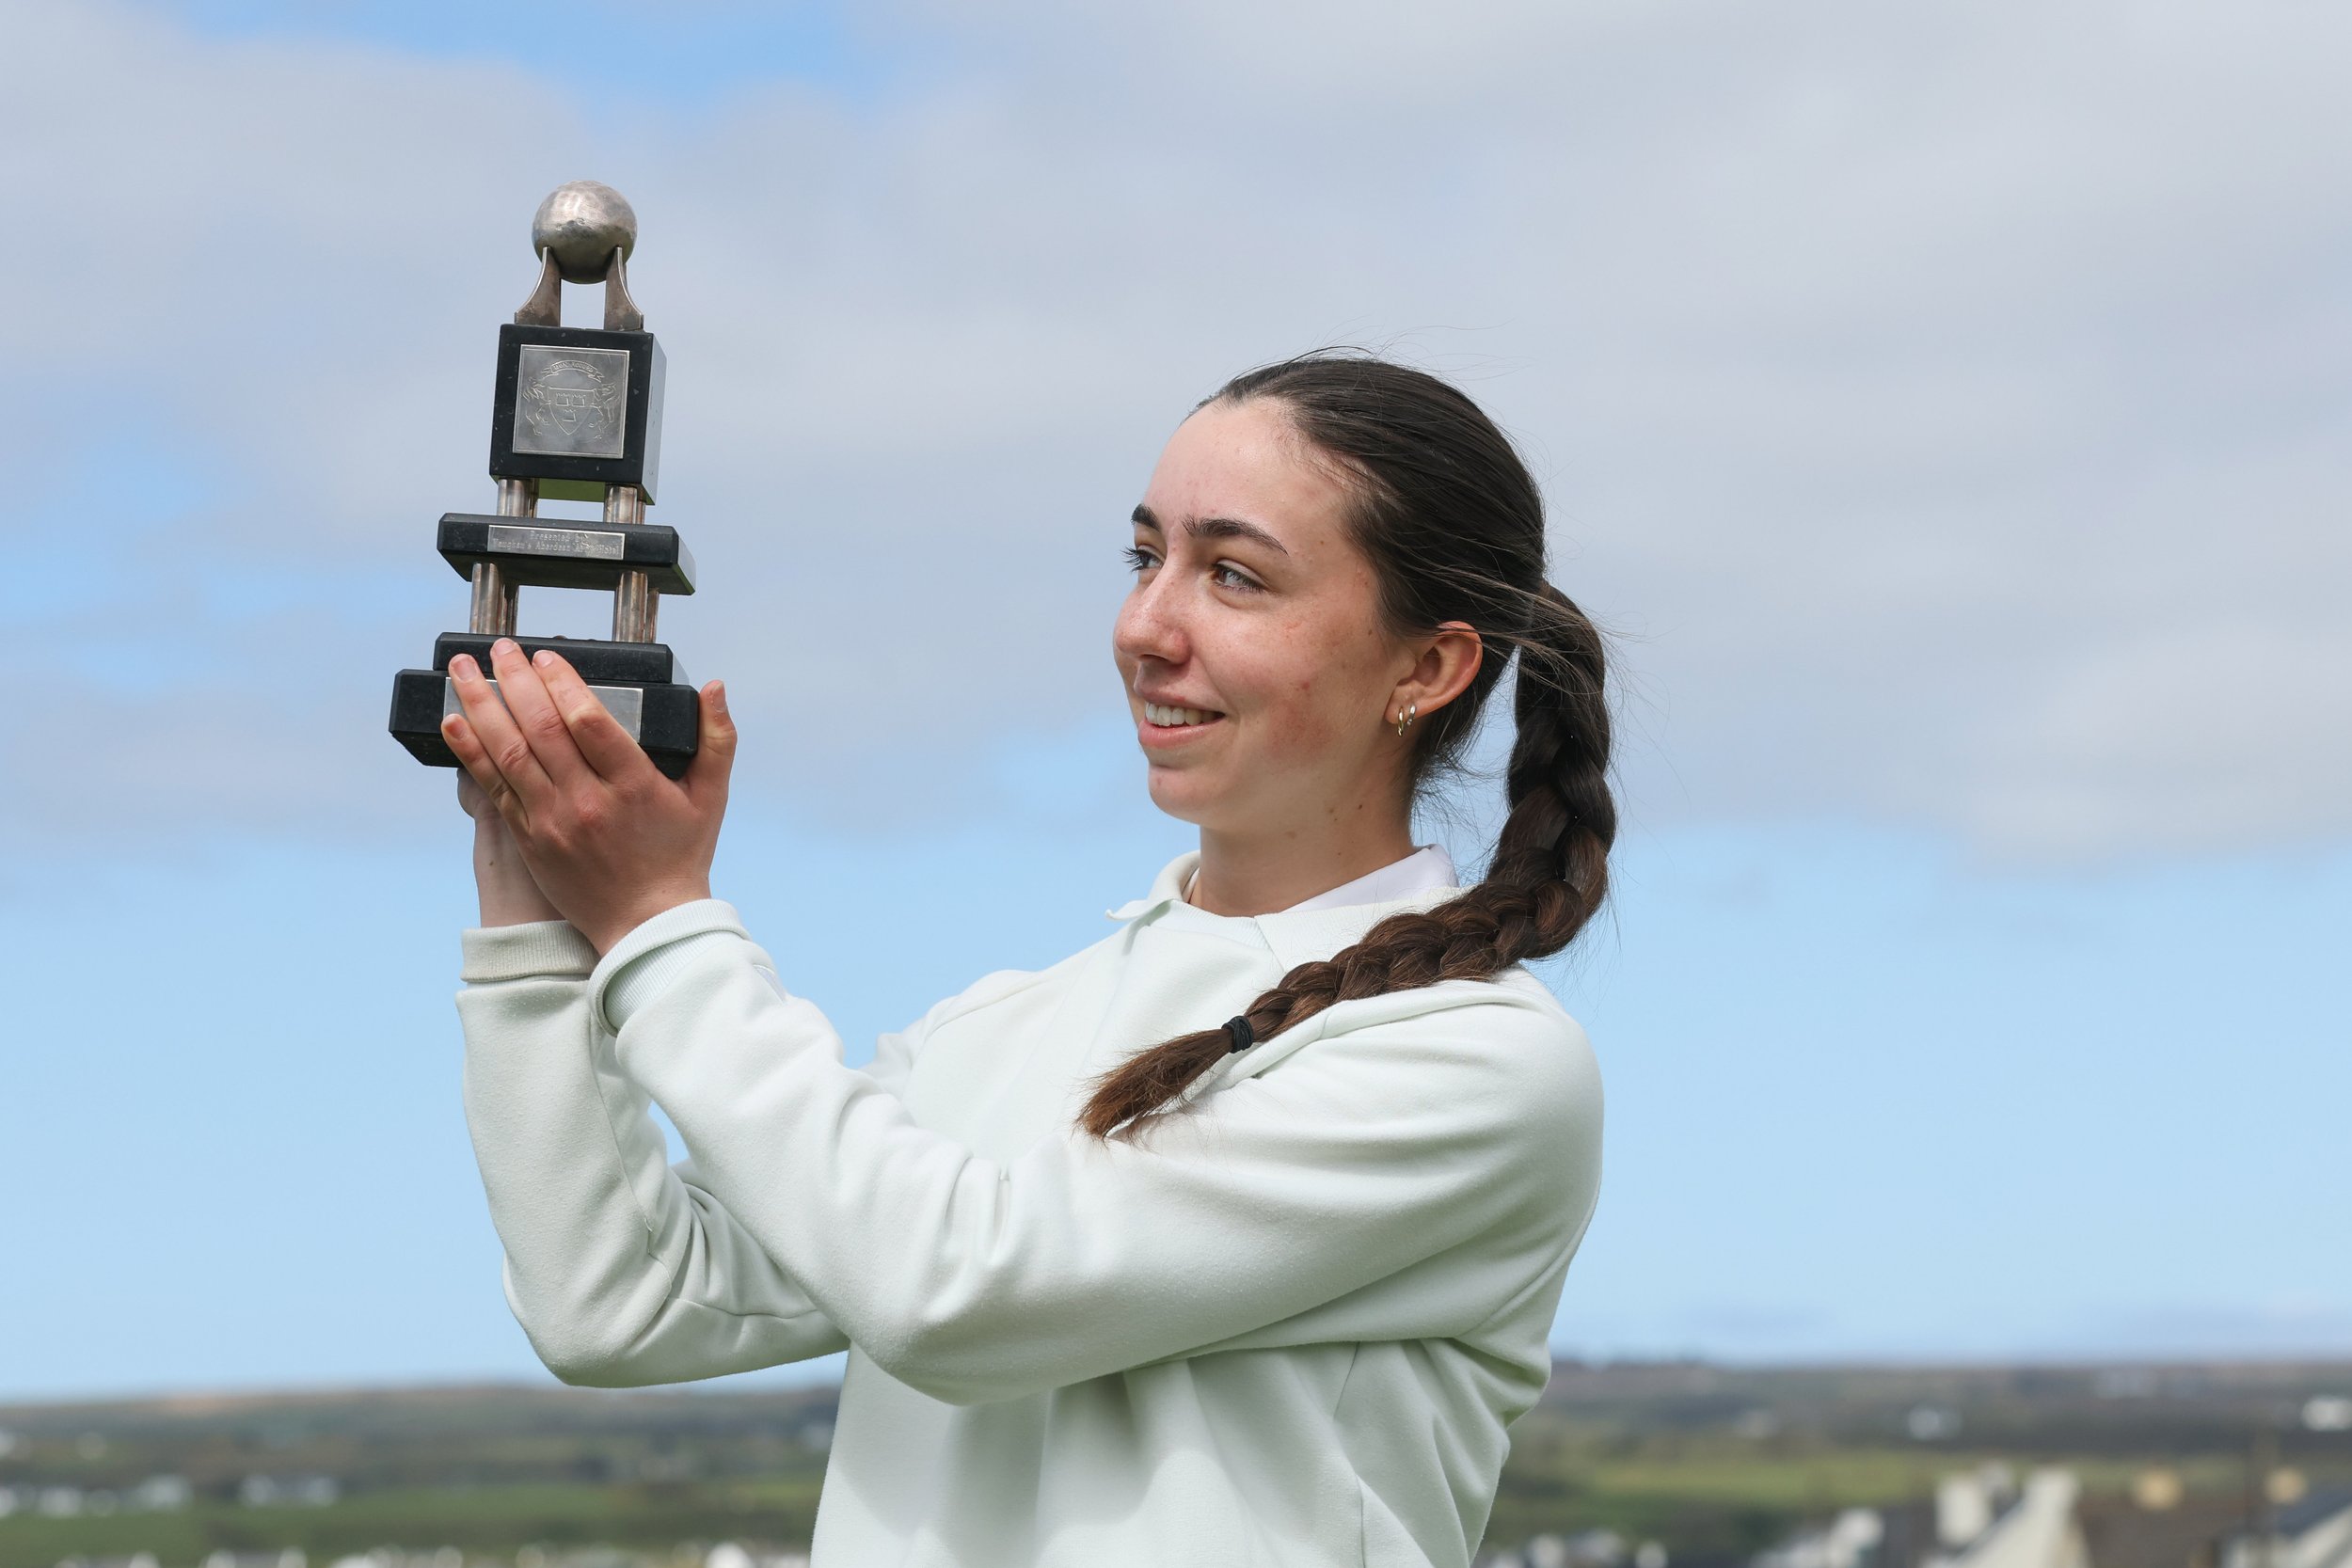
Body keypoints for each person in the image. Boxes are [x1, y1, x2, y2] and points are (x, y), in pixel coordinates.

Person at [442, 352, 1616, 1568]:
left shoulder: (1476, 1065)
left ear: (1426, 669)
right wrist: (537, 912)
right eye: (1144, 556)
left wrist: (659, 922)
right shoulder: (992, 1032)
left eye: (1233, 574)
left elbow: (957, 1294)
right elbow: (621, 1305)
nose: (1146, 627)